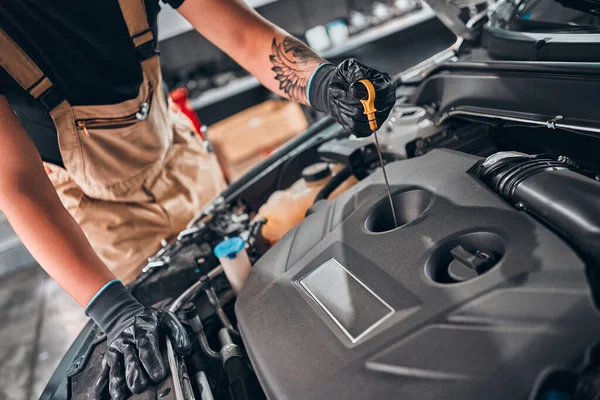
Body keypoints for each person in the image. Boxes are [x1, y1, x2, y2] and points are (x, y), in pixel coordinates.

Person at [0, 0, 396, 398]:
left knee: (242, 271)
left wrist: (323, 82)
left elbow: (243, 35)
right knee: (172, 345)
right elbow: (17, 185)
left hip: (178, 158)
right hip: (100, 216)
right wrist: (113, 309)